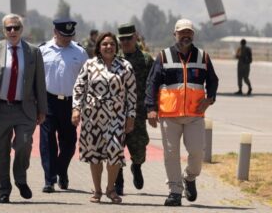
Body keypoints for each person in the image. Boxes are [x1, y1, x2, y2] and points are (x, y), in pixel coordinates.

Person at [145, 18, 219, 207]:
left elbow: (213, 80)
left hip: (194, 115)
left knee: (196, 152)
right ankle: (175, 191)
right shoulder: (164, 56)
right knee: (171, 154)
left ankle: (189, 177)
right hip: (169, 115)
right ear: (175, 34)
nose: (185, 35)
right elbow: (152, 83)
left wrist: (209, 99)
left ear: (193, 35)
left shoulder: (203, 57)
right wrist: (151, 108)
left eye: (189, 32)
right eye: (182, 32)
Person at [0, 13, 47, 203]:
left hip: (25, 109)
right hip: (0, 108)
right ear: (4, 31)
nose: (13, 31)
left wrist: (42, 110)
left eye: (16, 27)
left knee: (24, 144)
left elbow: (39, 83)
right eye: (9, 28)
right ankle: (4, 189)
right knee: (0, 150)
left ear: (22, 30)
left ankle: (20, 178)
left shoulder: (33, 52)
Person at [72, 32, 137, 204]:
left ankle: (111, 189)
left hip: (116, 116)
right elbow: (79, 87)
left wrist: (131, 116)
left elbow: (131, 94)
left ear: (116, 47)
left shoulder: (125, 66)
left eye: (112, 44)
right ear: (99, 47)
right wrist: (76, 109)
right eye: (105, 44)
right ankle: (98, 190)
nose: (108, 47)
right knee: (95, 154)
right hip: (92, 117)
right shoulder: (89, 64)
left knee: (115, 151)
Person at [38, 18, 89, 193]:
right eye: (63, 35)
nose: (67, 39)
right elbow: (36, 79)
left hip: (71, 103)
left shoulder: (80, 52)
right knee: (47, 141)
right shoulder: (43, 50)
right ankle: (50, 179)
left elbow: (86, 80)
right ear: (55, 32)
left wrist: (82, 105)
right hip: (49, 101)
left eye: (70, 35)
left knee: (69, 143)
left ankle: (62, 169)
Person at [114, 23, 154, 196]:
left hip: (137, 113)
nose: (125, 42)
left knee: (139, 149)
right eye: (122, 39)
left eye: (128, 38)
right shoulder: (114, 59)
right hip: (116, 113)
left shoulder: (145, 59)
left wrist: (153, 107)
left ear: (135, 37)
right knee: (115, 148)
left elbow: (153, 84)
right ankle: (118, 181)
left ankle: (136, 166)